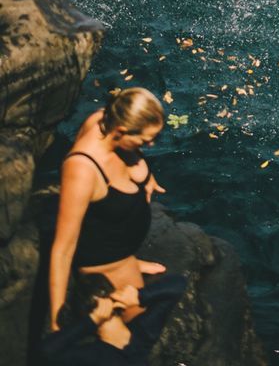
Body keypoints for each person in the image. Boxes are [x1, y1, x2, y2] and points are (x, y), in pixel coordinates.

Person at [49, 89, 167, 333]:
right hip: (106, 266)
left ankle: (131, 260)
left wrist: (147, 178)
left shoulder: (107, 117)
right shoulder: (83, 169)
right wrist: (56, 318)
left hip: (124, 251)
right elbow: (63, 248)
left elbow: (132, 156)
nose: (151, 145)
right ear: (121, 132)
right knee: (143, 328)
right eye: (145, 141)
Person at [41, 271, 187, 365]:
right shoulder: (93, 356)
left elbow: (179, 283)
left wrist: (139, 296)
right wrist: (92, 320)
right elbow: (45, 352)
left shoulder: (142, 333)